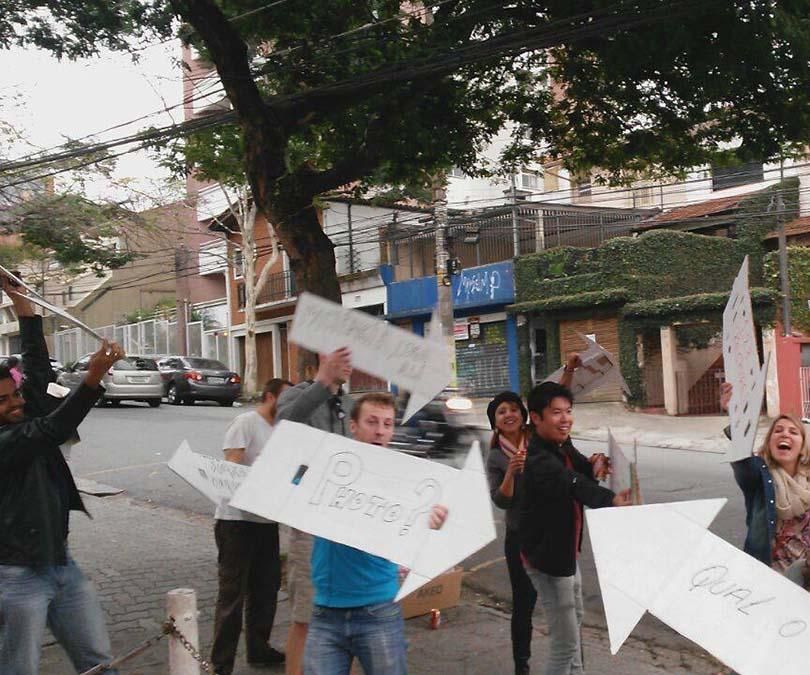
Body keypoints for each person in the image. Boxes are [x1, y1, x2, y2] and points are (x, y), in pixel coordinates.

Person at [0, 275, 125, 675]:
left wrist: (20, 304)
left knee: (99, 663)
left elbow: (35, 370)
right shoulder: (8, 439)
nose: (16, 402)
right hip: (16, 576)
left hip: (60, 563)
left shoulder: (22, 411)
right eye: (2, 400)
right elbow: (50, 430)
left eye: (14, 393)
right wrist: (92, 379)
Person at [303, 391, 448, 675]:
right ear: (353, 426)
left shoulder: (405, 478)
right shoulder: (329, 466)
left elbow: (421, 532)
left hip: (377, 610)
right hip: (325, 610)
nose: (380, 431)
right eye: (372, 422)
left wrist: (434, 522)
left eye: (387, 424)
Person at [520, 381, 631, 675]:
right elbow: (572, 483)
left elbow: (580, 470)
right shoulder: (538, 459)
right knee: (565, 644)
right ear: (536, 417)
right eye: (556, 413)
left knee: (577, 617)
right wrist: (612, 500)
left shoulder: (560, 445)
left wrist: (595, 465)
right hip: (548, 562)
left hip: (565, 553)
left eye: (568, 411)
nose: (565, 418)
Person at [276, 349, 355, 675]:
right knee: (306, 618)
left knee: (347, 620)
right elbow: (284, 426)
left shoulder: (347, 404)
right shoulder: (298, 395)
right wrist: (323, 381)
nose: (347, 361)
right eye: (340, 354)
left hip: (344, 523)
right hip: (309, 525)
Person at [211, 377, 293, 675]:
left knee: (266, 589)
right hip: (236, 522)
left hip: (265, 521)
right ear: (269, 396)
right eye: (284, 399)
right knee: (233, 595)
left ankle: (259, 649)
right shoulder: (245, 422)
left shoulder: (283, 432)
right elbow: (229, 467)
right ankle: (221, 663)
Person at [720, 383, 810, 586]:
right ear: (769, 444)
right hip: (767, 581)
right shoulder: (758, 477)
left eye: (793, 432)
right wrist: (734, 416)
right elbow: (741, 458)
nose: (785, 434)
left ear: (803, 447)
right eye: (778, 431)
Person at [485, 391, 535, 675]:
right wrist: (510, 473)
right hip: (518, 538)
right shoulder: (495, 456)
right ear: (495, 421)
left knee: (561, 602)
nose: (509, 414)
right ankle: (522, 666)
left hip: (547, 535)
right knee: (524, 604)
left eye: (514, 409)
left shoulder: (538, 443)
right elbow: (500, 501)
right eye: (502, 411)